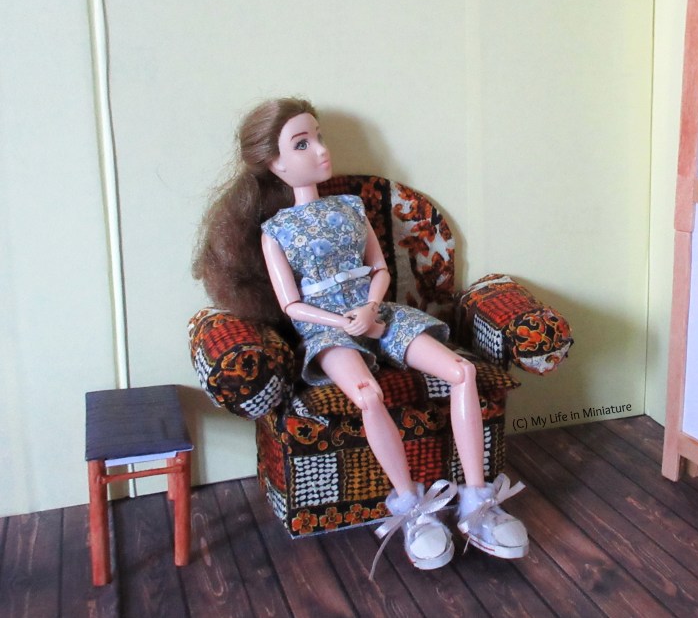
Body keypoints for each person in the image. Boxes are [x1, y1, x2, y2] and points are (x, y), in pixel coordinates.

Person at [193, 97, 527, 573]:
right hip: (326, 329)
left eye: (318, 136)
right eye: (302, 143)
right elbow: (290, 304)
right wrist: (342, 324)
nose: (321, 150)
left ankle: (477, 502)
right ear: (275, 163)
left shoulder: (351, 207)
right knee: (367, 395)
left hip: (378, 310)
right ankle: (411, 508)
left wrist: (371, 309)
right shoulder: (276, 232)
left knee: (461, 370)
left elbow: (379, 268)